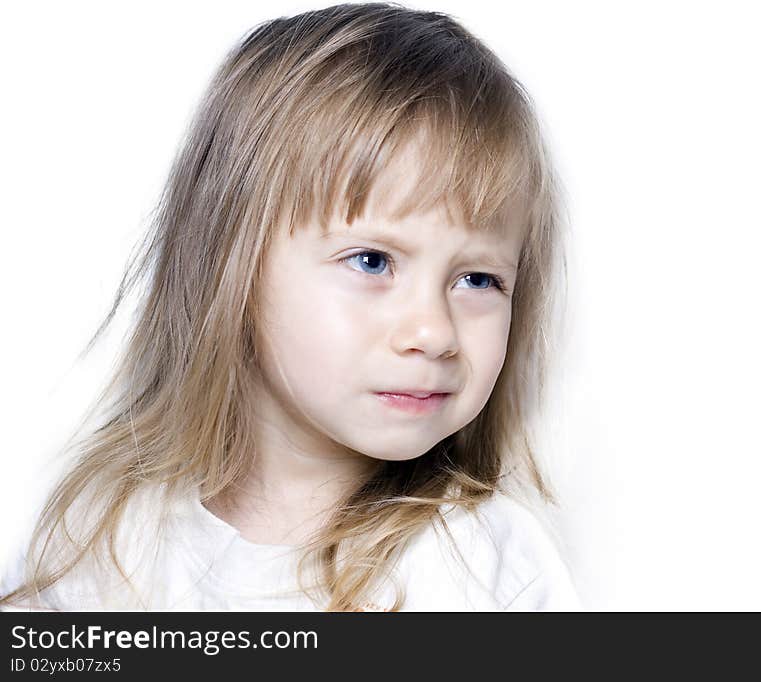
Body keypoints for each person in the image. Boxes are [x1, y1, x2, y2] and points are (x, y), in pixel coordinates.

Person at [0, 2, 580, 611]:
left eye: (479, 279)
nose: (434, 332)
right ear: (233, 266)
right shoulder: (92, 538)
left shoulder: (492, 568)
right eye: (372, 262)